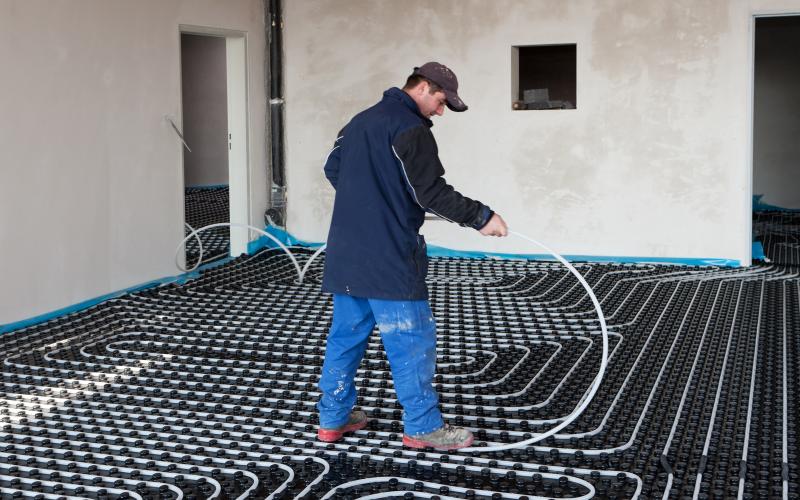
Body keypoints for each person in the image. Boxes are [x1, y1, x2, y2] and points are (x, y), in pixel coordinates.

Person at [317, 62, 508, 450]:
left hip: (347, 253)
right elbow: (430, 193)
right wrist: (481, 217)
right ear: (422, 87)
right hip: (388, 257)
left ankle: (332, 418)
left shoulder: (359, 122)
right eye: (440, 101)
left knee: (345, 339)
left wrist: (372, 200)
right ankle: (422, 426)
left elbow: (332, 167)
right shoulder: (410, 129)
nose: (441, 111)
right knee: (411, 343)